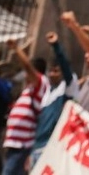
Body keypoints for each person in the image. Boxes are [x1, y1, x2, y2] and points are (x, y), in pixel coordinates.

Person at [28, 32, 79, 170]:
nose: (52, 74)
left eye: (56, 71)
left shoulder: (68, 88)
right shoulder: (47, 93)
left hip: (51, 147)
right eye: (50, 71)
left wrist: (56, 46)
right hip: (36, 148)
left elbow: (67, 70)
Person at [0, 40, 46, 175]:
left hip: (23, 145)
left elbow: (27, 66)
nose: (25, 75)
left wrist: (16, 49)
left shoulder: (41, 84)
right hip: (15, 144)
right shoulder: (29, 89)